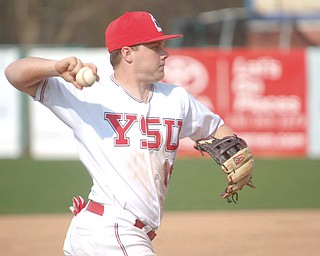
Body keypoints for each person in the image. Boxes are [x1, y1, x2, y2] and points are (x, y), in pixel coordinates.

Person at [5, 11, 252, 256]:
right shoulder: (88, 95)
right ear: (127, 53)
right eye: (155, 46)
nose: (165, 53)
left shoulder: (175, 99)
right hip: (110, 230)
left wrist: (239, 155)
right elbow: (14, 74)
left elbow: (215, 128)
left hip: (120, 234)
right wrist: (54, 68)